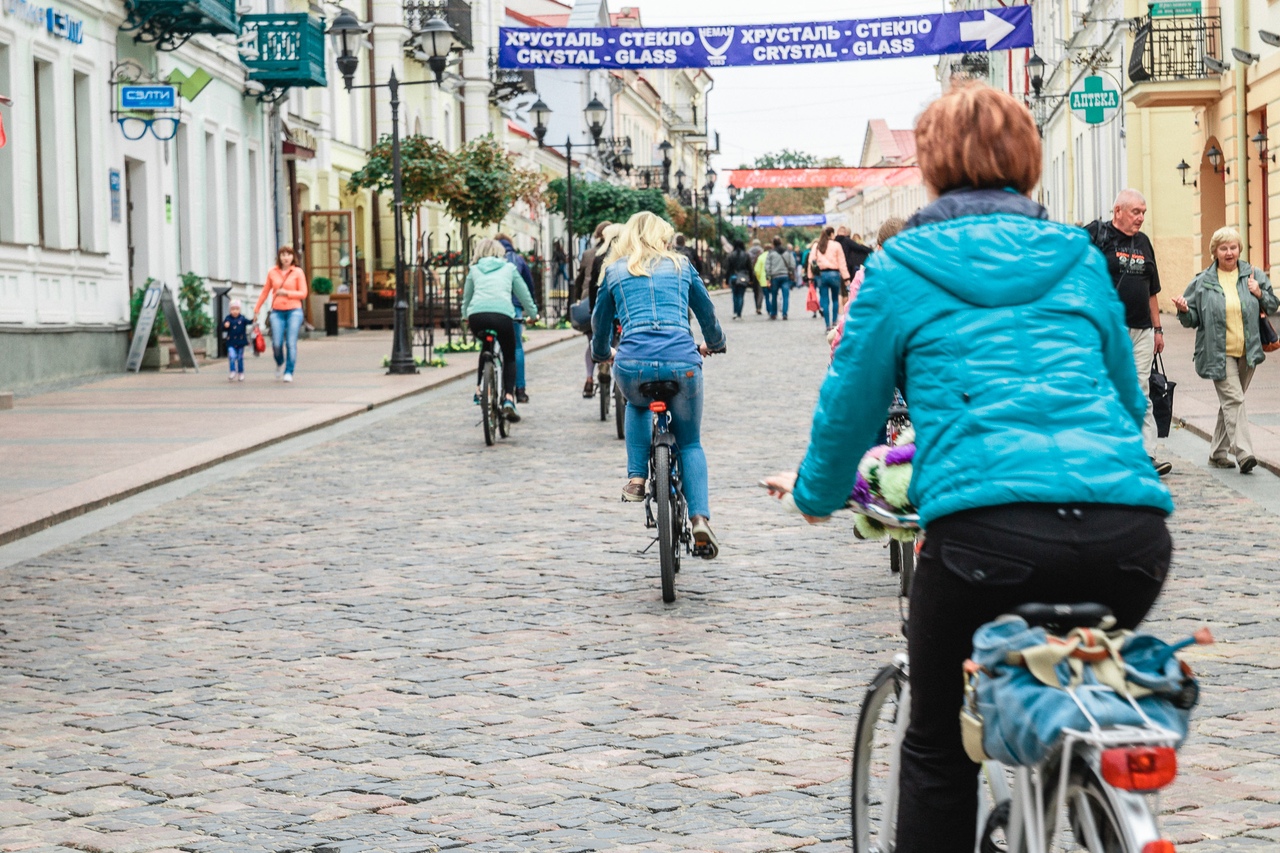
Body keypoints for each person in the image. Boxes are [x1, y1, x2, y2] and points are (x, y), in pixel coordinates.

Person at [763, 83, 1172, 853]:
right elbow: (1126, 402)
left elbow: (849, 407)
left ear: (932, 166)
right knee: (1084, 697)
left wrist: (818, 494)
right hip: (1131, 537)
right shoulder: (1079, 259)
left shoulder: (898, 267)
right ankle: (1086, 797)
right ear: (1028, 162)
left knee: (938, 746)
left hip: (986, 539)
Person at [592, 211, 727, 557]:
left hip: (633, 363)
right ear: (662, 238)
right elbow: (706, 311)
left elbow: (600, 323)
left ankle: (637, 478)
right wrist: (715, 341)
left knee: (637, 404)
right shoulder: (681, 266)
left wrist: (600, 351)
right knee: (691, 443)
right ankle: (699, 518)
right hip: (682, 362)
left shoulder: (614, 271)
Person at [1173, 226, 1278, 473]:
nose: (1229, 252)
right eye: (1223, 248)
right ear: (1215, 252)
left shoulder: (1253, 275)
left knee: (1231, 403)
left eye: (1233, 247)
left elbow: (1273, 305)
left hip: (1248, 351)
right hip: (1218, 353)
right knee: (1235, 399)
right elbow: (1192, 320)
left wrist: (1259, 292)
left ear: (1239, 249)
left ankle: (1218, 452)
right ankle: (1244, 453)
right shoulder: (1203, 282)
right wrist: (1184, 310)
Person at [1086, 190, 1172, 476]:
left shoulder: (1144, 243)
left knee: (1141, 390)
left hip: (1143, 330)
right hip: (1111, 329)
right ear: (1118, 211)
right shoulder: (1099, 237)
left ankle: (1147, 454)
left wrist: (1158, 328)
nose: (1141, 218)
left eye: (1144, 212)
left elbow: (1152, 291)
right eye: (1136, 212)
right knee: (1110, 387)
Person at [462, 239, 538, 422]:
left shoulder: (474, 270)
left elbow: (467, 298)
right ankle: (509, 399)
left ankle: (479, 389)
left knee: (485, 349)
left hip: (477, 317)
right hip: (503, 316)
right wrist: (533, 314)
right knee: (509, 355)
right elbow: (524, 294)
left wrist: (465, 316)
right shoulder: (509, 268)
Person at [253, 245, 308, 383]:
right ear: (279, 257)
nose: (286, 258)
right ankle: (279, 361)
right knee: (276, 343)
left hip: (294, 311)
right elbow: (265, 291)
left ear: (292, 257)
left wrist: (287, 293)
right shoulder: (273, 272)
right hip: (277, 312)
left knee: (290, 342)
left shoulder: (298, 272)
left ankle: (289, 371)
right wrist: (257, 309)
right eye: (283, 255)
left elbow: (303, 293)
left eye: (288, 255)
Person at [496, 234, 534, 403]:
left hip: (493, 308)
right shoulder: (518, 260)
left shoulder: (491, 259)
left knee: (490, 346)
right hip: (514, 309)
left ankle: (487, 387)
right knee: (516, 348)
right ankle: (520, 389)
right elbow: (528, 285)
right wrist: (532, 309)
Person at [577, 222, 612, 397]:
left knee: (592, 340)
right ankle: (612, 369)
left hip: (590, 300)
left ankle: (589, 379)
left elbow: (581, 279)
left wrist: (576, 299)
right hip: (613, 301)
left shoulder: (589, 254)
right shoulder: (618, 253)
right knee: (617, 339)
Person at [808, 226, 850, 329]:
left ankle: (827, 325)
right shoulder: (836, 245)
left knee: (825, 299)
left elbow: (811, 262)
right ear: (831, 234)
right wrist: (846, 278)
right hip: (835, 274)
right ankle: (834, 322)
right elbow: (842, 263)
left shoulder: (817, 246)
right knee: (835, 299)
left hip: (822, 275)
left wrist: (810, 278)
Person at [834, 225, 873, 299]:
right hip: (846, 269)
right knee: (846, 292)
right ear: (845, 233)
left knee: (838, 294)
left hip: (835, 269)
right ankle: (844, 309)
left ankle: (838, 308)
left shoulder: (833, 242)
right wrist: (870, 250)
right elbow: (859, 247)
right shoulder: (847, 241)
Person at [763, 236, 796, 320]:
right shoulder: (788, 252)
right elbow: (792, 264)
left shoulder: (771, 253)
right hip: (785, 276)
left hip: (775, 277)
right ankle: (785, 313)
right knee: (785, 296)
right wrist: (790, 271)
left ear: (773, 244)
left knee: (774, 295)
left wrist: (768, 276)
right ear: (781, 243)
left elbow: (767, 266)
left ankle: (773, 313)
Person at [222, 300, 252, 382]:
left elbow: (249, 322)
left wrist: (254, 319)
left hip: (240, 342)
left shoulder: (242, 318)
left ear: (240, 310)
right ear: (230, 310)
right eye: (232, 309)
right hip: (231, 342)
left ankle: (241, 372)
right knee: (232, 356)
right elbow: (223, 328)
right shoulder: (228, 318)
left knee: (239, 358)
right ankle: (232, 371)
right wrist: (225, 325)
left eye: (237, 309)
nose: (235, 311)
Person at [724, 240, 754, 319]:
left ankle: (735, 311)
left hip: (733, 276)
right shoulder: (746, 255)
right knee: (741, 295)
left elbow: (728, 269)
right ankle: (739, 313)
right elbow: (750, 268)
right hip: (743, 276)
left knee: (735, 295)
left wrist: (726, 280)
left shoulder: (731, 255)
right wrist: (751, 279)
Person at [747, 238, 765, 314]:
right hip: (760, 272)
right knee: (760, 290)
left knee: (755, 291)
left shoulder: (749, 251)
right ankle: (759, 306)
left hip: (752, 272)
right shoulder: (762, 251)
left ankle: (756, 306)